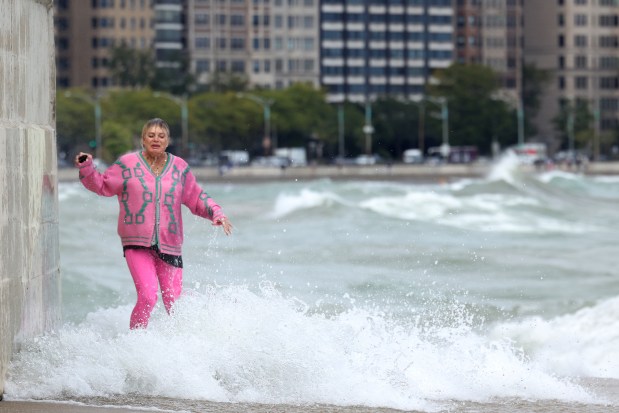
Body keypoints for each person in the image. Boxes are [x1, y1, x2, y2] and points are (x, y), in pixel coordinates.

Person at [74, 118, 233, 329]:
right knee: (149, 297)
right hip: (136, 244)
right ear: (143, 139)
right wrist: (87, 167)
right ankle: (135, 345)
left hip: (170, 244)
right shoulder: (127, 164)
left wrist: (217, 213)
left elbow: (196, 197)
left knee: (174, 303)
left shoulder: (179, 168)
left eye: (161, 136)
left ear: (167, 141)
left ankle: (197, 331)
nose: (156, 139)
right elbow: (102, 185)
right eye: (151, 135)